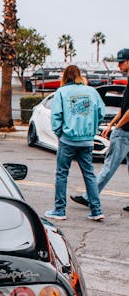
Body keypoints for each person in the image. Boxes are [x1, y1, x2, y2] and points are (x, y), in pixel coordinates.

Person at [70, 47, 129, 212]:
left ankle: (90, 197)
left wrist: (117, 127)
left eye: (122, 62)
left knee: (109, 166)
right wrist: (111, 125)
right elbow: (123, 110)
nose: (119, 66)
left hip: (124, 132)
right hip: (124, 130)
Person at [44, 64, 105, 221]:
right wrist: (92, 129)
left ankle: (59, 210)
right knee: (89, 174)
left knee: (62, 174)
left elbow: (56, 116)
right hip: (87, 141)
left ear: (65, 76)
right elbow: (101, 113)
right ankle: (96, 210)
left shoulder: (62, 92)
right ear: (79, 75)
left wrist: (59, 133)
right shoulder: (91, 92)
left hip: (68, 139)